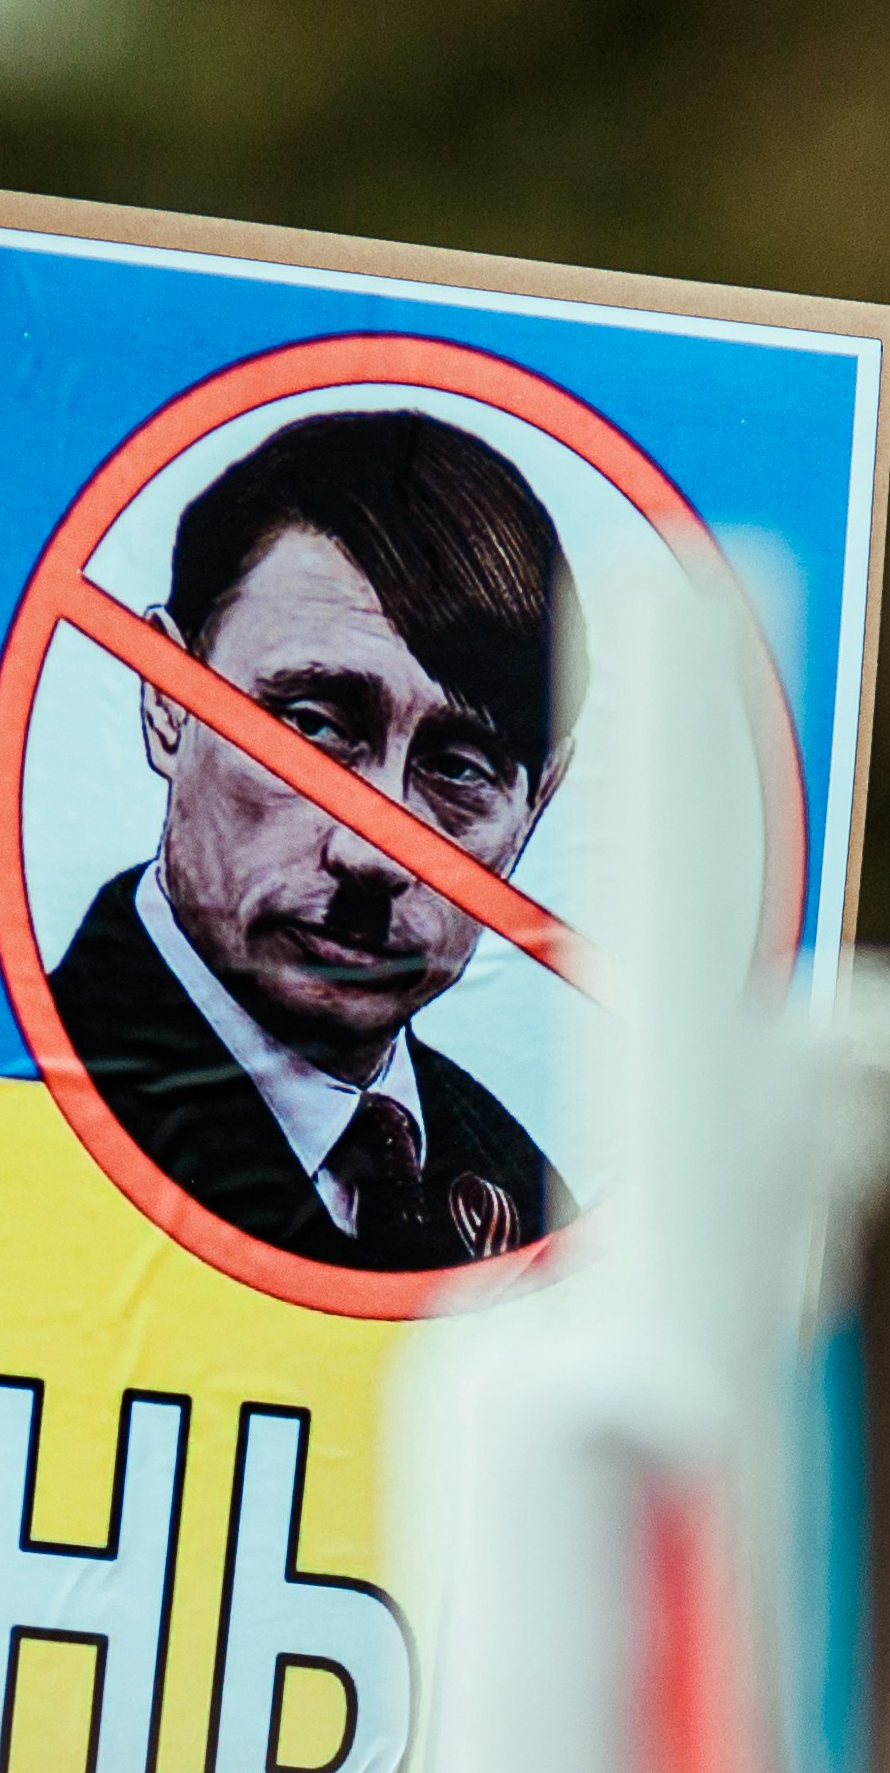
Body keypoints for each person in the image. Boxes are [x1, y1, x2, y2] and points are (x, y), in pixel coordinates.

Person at [50, 408, 575, 1272]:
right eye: (312, 727)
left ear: (539, 800)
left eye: (460, 770)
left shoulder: (529, 1201)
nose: (373, 852)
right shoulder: (15, 1097)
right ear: (166, 699)